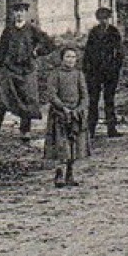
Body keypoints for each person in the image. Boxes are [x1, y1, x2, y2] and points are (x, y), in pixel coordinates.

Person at [0, 3, 54, 139]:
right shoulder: (8, 30)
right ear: (13, 14)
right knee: (2, 98)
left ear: (26, 13)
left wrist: (37, 52)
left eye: (22, 11)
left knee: (27, 99)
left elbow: (49, 44)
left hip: (27, 70)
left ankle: (25, 131)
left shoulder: (32, 29)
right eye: (16, 11)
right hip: (10, 70)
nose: (19, 14)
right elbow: (1, 50)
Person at [45, 47, 90, 187]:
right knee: (61, 144)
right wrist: (63, 108)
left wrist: (79, 109)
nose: (70, 60)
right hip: (60, 114)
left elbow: (84, 95)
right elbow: (52, 94)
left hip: (76, 114)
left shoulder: (79, 74)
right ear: (62, 58)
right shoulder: (55, 74)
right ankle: (59, 172)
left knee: (74, 144)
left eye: (73, 57)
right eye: (67, 57)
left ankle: (70, 173)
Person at [82, 7, 124, 139]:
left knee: (109, 99)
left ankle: (111, 128)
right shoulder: (93, 32)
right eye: (101, 19)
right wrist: (87, 70)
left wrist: (116, 67)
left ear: (109, 18)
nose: (103, 21)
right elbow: (88, 52)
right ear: (98, 19)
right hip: (94, 72)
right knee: (93, 100)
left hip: (110, 72)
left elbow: (120, 52)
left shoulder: (114, 32)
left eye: (106, 18)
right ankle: (91, 128)